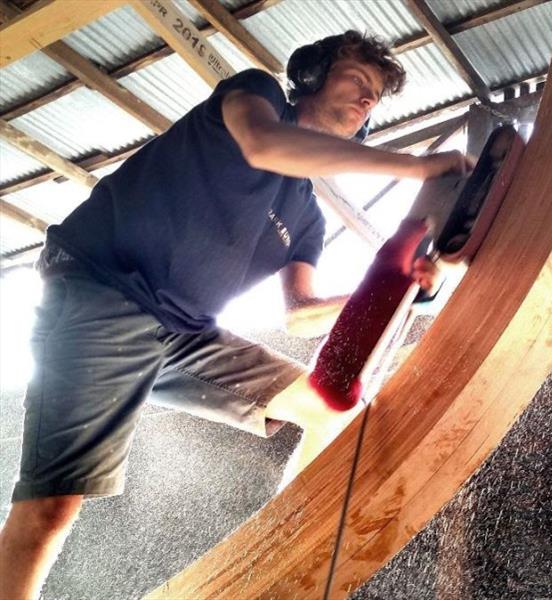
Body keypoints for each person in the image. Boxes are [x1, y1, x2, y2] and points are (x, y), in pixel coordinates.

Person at [0, 30, 470, 599]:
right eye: (357, 80)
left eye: (376, 95)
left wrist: (406, 289)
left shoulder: (306, 217)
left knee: (330, 408)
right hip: (105, 291)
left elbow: (300, 315)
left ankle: (276, 558)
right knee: (52, 506)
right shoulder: (257, 97)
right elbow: (264, 146)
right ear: (312, 76)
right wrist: (416, 168)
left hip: (183, 331)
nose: (368, 98)